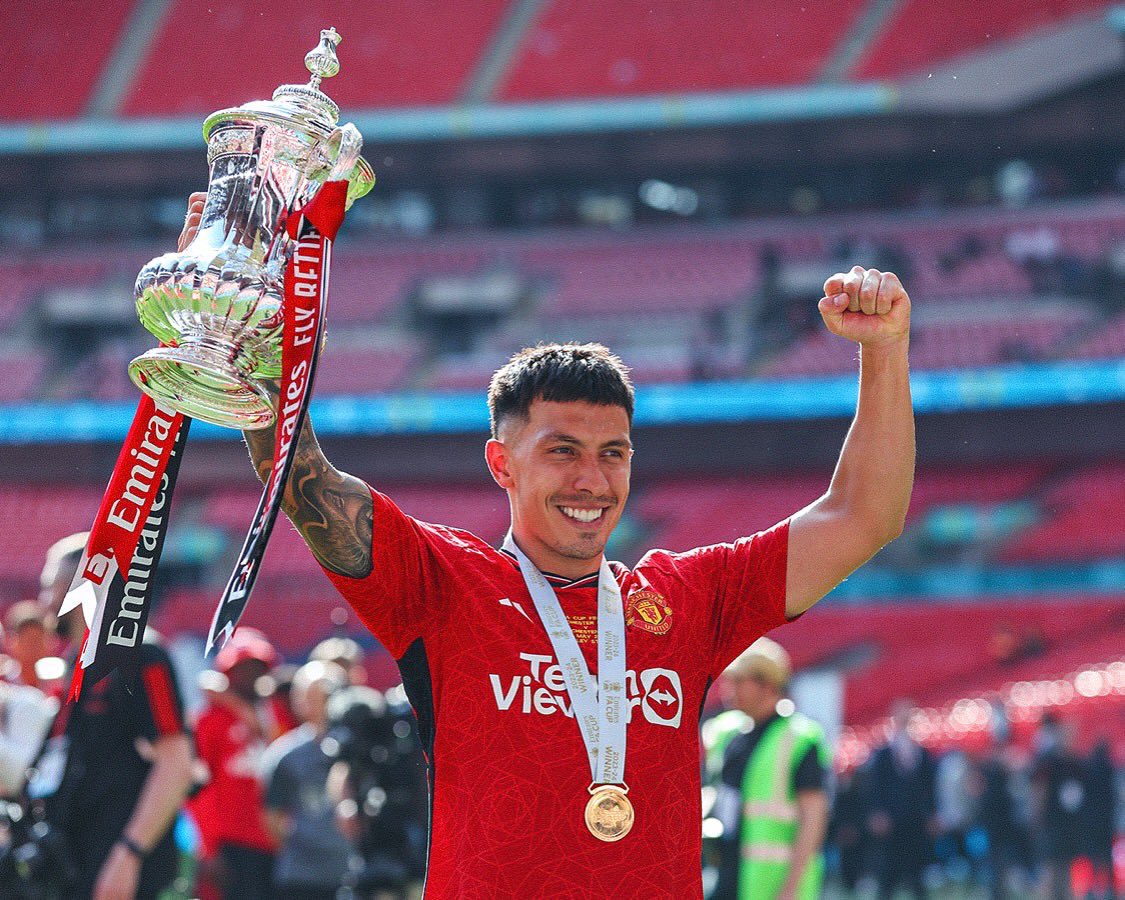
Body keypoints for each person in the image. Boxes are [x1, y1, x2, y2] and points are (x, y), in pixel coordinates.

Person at [183, 197, 915, 896]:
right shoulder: (444, 584)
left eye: (614, 453)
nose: (592, 480)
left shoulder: (686, 600)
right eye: (562, 450)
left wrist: (883, 352)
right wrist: (249, 326)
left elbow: (863, 515)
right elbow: (304, 477)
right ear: (502, 463)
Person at [29, 531, 193, 900]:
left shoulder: (139, 654)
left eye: (50, 587)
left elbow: (176, 762)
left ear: (83, 585)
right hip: (71, 859)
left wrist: (129, 854)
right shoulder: (73, 660)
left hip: (116, 866)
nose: (43, 601)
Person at [703, 637, 831, 899]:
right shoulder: (726, 733)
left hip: (772, 883)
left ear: (768, 686)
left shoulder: (799, 738)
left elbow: (813, 818)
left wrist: (790, 887)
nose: (729, 689)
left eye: (740, 681)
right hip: (725, 873)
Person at [190, 626, 280, 900]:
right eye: (243, 668)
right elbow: (197, 789)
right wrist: (209, 847)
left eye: (258, 667)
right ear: (228, 672)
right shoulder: (210, 720)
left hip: (272, 843)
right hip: (231, 844)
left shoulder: (273, 713)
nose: (252, 675)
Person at [260, 659, 353, 900]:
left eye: (322, 695)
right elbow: (273, 816)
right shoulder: (285, 755)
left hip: (352, 869)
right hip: (302, 875)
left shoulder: (358, 747)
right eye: (307, 695)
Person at [866, 699, 938, 900]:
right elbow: (876, 786)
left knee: (917, 872)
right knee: (888, 873)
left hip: (915, 820)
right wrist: (878, 813)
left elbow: (928, 788)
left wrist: (931, 814)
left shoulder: (922, 753)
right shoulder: (883, 755)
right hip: (892, 820)